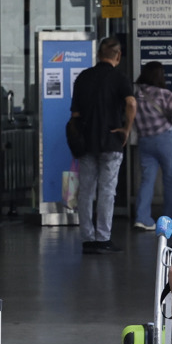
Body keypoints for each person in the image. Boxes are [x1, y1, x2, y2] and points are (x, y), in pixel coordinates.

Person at [70, 37, 136, 254]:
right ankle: (103, 238)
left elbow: (76, 114)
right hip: (111, 140)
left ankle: (88, 239)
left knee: (86, 191)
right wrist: (126, 128)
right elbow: (131, 102)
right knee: (107, 190)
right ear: (118, 56)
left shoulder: (83, 77)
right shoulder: (119, 78)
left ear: (98, 55)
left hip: (86, 143)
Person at [132, 62, 172, 231]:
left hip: (144, 141)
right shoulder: (164, 94)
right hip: (165, 139)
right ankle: (170, 220)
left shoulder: (136, 95)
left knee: (147, 179)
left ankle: (142, 218)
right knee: (170, 179)